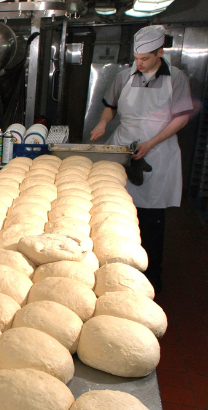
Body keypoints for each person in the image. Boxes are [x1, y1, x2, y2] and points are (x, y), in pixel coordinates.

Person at [91, 25, 193, 292]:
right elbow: (110, 108)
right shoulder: (125, 76)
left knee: (150, 219)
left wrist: (152, 143)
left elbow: (181, 117)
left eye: (146, 58)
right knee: (115, 211)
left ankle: (150, 279)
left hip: (158, 152)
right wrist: (103, 124)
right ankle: (113, 273)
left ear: (160, 52)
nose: (140, 63)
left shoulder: (177, 78)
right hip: (123, 148)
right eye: (137, 58)